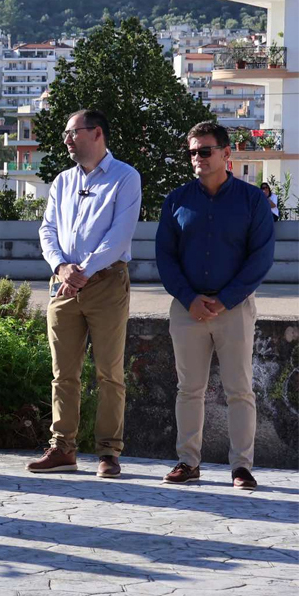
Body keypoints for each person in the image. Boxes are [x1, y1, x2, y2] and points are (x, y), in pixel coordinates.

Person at [157, 122, 274, 490]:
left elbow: (261, 258)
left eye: (204, 151)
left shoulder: (252, 200)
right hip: (187, 308)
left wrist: (224, 300)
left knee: (239, 389)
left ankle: (241, 467)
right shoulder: (176, 200)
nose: (197, 159)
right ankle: (188, 462)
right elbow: (165, 257)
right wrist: (190, 299)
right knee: (189, 389)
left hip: (234, 309)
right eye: (192, 152)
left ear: (226, 155)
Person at [27, 109, 141, 479]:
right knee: (64, 373)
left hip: (106, 283)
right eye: (65, 134)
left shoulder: (126, 177)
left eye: (72, 132)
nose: (66, 139)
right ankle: (63, 448)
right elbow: (47, 230)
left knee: (110, 372)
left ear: (96, 134)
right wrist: (62, 268)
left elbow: (119, 235)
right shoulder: (61, 181)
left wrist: (83, 271)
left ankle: (108, 452)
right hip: (62, 284)